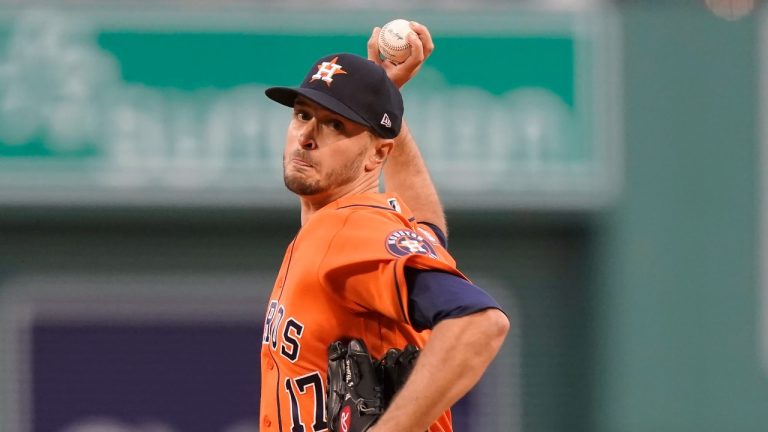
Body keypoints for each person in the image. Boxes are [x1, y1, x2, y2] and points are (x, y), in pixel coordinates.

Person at [259, 22, 509, 432]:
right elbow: (428, 233)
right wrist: (387, 99)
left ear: (378, 155)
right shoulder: (367, 228)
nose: (307, 135)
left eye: (335, 124)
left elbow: (479, 323)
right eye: (303, 114)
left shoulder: (346, 229)